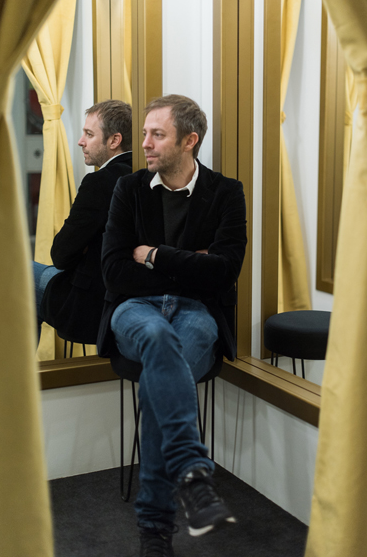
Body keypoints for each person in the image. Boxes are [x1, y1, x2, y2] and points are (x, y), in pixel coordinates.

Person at [97, 94, 247, 556]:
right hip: (134, 309)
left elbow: (224, 271)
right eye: (145, 133)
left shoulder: (226, 192)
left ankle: (155, 530)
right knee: (159, 337)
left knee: (162, 369)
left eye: (156, 134)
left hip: (196, 313)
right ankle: (192, 473)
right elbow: (114, 271)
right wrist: (191, 263)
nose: (144, 143)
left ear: (189, 140)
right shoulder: (129, 189)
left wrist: (154, 255)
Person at [34, 100, 132, 346]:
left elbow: (61, 254)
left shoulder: (101, 182)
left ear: (114, 140)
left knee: (14, 274)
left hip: (90, 306)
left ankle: (17, 369)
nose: (80, 141)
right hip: (122, 299)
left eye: (89, 134)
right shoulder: (148, 174)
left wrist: (83, 249)